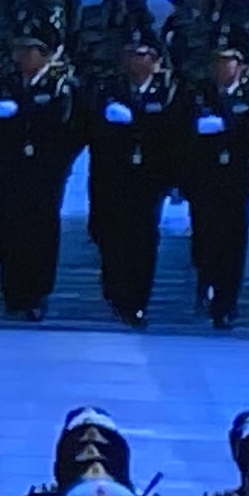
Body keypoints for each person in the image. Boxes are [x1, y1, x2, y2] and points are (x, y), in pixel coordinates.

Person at [0, 30, 81, 322]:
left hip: (44, 169)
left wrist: (56, 160)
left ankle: (37, 293)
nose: (21, 56)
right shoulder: (5, 82)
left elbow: (69, 127)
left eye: (29, 50)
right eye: (19, 50)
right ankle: (12, 291)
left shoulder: (60, 86)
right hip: (9, 166)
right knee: (7, 228)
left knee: (40, 230)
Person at [174, 38, 249, 327]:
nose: (223, 67)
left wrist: (230, 130)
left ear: (240, 66)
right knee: (204, 237)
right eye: (219, 61)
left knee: (233, 241)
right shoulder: (198, 93)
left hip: (237, 180)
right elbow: (180, 133)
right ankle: (206, 284)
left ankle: (226, 302)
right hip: (204, 178)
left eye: (229, 61)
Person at [83, 32, 177, 326]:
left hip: (148, 177)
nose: (135, 61)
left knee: (143, 239)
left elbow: (174, 134)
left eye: (142, 55)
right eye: (131, 54)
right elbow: (90, 128)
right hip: (113, 176)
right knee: (111, 235)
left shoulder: (168, 92)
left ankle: (136, 301)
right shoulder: (109, 89)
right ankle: (114, 288)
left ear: (155, 61)